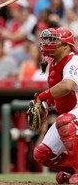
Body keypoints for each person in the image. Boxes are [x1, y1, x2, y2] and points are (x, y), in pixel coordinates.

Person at [31, 27, 78, 184]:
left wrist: (42, 96)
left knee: (65, 121)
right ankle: (71, 169)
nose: (47, 44)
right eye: (47, 40)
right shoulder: (53, 64)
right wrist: (45, 105)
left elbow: (68, 86)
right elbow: (57, 95)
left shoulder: (74, 60)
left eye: (53, 40)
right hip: (69, 114)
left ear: (66, 46)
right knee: (42, 154)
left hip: (74, 113)